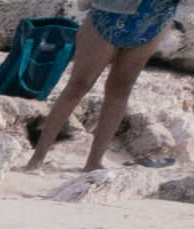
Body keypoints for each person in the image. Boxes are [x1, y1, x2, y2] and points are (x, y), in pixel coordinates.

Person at [25, 0, 183, 172]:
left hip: (154, 19)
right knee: (79, 84)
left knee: (121, 87)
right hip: (109, 13)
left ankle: (94, 163)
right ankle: (37, 159)